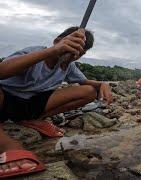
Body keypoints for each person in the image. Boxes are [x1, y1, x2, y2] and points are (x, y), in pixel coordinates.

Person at [0, 27, 113, 178]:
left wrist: (102, 84)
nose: (74, 53)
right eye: (71, 45)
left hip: (31, 105)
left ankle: (32, 120)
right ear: (56, 41)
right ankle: (7, 145)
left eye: (80, 51)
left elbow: (85, 82)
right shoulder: (35, 52)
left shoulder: (68, 65)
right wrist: (52, 51)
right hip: (4, 99)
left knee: (89, 91)